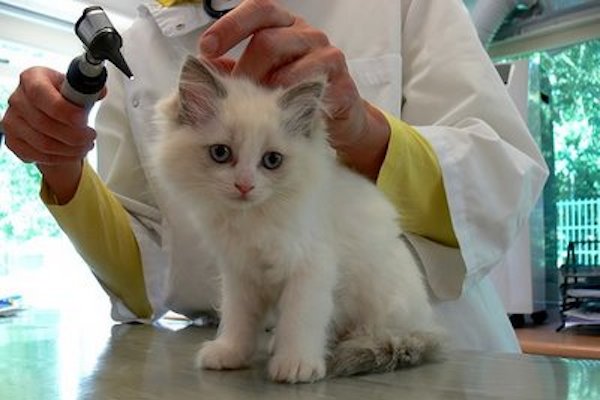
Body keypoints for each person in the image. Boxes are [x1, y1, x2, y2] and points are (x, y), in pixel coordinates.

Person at [2, 0, 548, 353]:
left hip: (435, 359)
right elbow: (149, 266)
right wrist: (60, 159)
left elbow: (504, 174)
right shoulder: (136, 39)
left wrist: (365, 132)